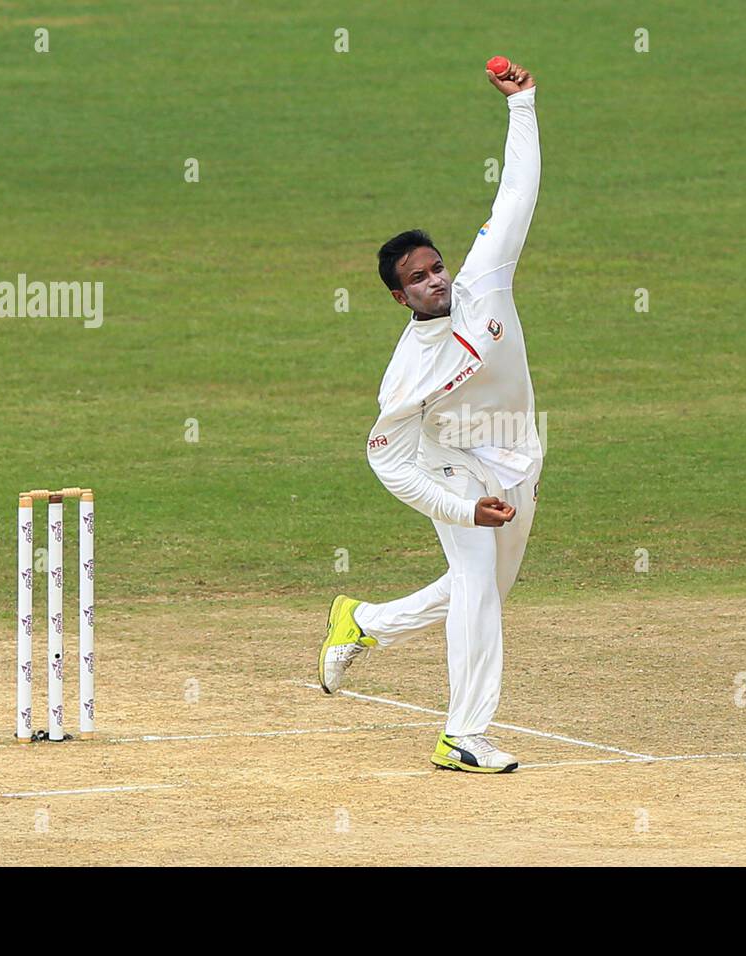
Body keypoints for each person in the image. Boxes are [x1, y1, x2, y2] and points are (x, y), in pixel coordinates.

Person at [318, 62, 542, 773]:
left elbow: (515, 196)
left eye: (436, 267)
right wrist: (459, 506)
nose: (435, 279)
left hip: (518, 453)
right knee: (477, 585)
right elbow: (386, 459)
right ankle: (464, 736)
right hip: (447, 464)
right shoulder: (407, 374)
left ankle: (364, 621)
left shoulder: (485, 281)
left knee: (485, 596)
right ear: (399, 298)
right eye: (416, 278)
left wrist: (524, 105)